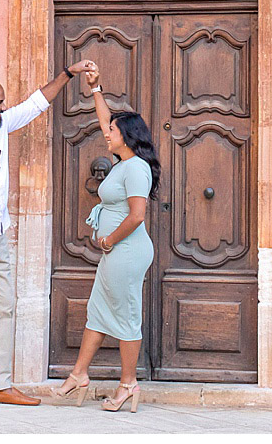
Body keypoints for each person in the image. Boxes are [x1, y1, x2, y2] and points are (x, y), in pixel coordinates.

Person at [0, 60, 97, 410]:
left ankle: (0, 386)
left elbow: (35, 104)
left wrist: (67, 75)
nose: (4, 107)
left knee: (4, 308)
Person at [54, 63, 160, 414]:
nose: (107, 134)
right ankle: (80, 374)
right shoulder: (122, 160)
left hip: (127, 249)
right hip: (116, 250)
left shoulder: (137, 169)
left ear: (126, 137)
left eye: (113, 131)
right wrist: (96, 88)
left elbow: (138, 215)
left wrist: (110, 239)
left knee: (126, 316)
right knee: (98, 311)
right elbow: (103, 121)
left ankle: (128, 385)